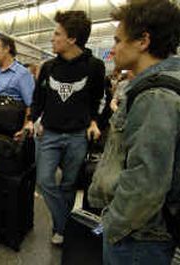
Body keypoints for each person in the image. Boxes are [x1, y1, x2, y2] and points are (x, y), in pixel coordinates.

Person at [87, 1, 180, 264]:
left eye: (118, 40)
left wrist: (112, 225)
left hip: (138, 236)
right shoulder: (150, 88)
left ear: (143, 41)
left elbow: (146, 183)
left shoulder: (154, 96)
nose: (113, 49)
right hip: (141, 230)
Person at [28, 10, 105, 245]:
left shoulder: (95, 66)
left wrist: (95, 122)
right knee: (44, 180)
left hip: (77, 136)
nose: (52, 38)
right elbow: (38, 98)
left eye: (57, 34)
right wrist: (32, 119)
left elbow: (98, 99)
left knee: (70, 184)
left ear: (72, 39)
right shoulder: (48, 66)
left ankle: (59, 229)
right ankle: (67, 224)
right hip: (49, 134)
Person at [0, 36, 35, 170]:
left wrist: (25, 128)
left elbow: (30, 104)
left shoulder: (22, 74)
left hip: (8, 134)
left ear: (7, 49)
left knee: (4, 172)